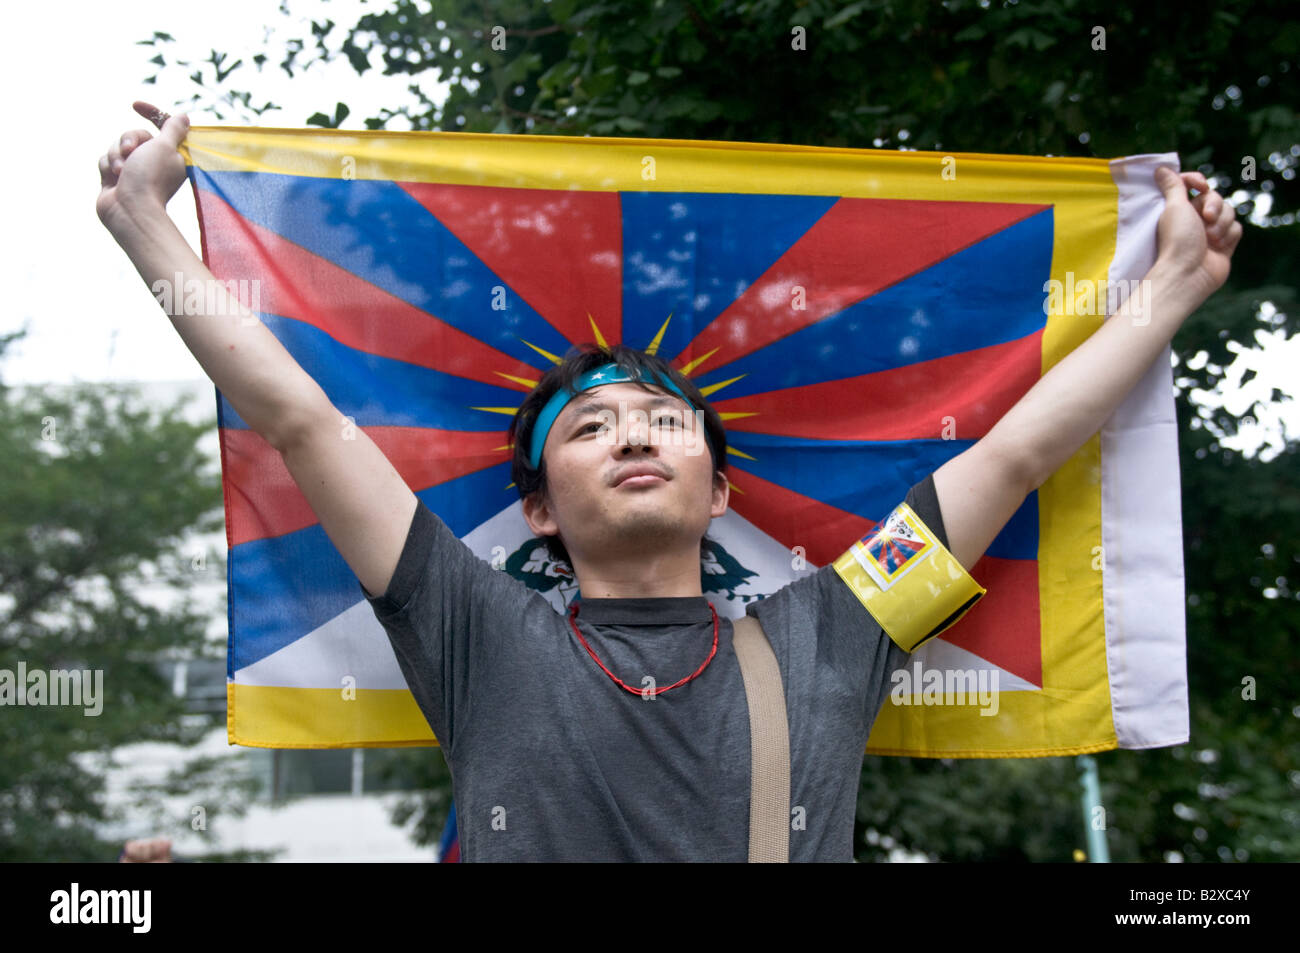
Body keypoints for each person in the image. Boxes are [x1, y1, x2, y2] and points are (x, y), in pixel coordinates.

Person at [98, 101, 1242, 862]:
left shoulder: (842, 624)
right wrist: (142, 221)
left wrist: (1176, 289)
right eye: (589, 426)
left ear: (720, 491)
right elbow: (300, 421)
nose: (634, 434)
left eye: (665, 419)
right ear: (538, 506)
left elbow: (1014, 453)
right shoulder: (469, 625)